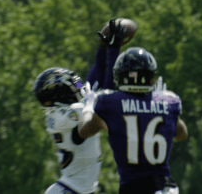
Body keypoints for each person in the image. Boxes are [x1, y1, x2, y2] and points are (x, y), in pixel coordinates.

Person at [33, 18, 129, 194]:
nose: (79, 88)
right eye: (74, 85)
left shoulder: (62, 112)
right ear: (61, 92)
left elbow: (90, 85)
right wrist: (114, 49)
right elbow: (107, 91)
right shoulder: (74, 112)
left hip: (71, 189)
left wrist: (102, 49)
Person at [78, 47, 188, 194]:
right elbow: (182, 135)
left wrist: (88, 106)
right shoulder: (169, 101)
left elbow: (84, 131)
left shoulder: (110, 103)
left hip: (134, 188)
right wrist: (163, 111)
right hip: (167, 189)